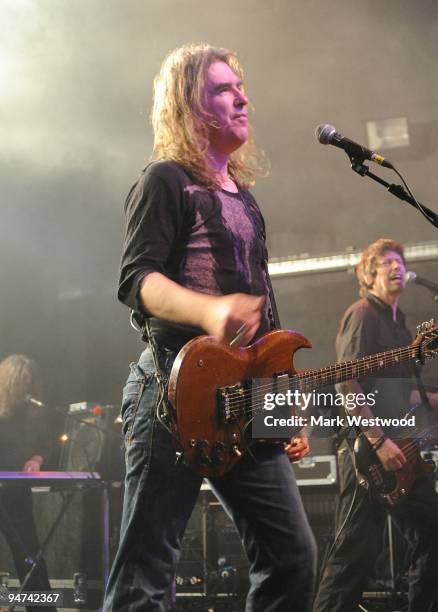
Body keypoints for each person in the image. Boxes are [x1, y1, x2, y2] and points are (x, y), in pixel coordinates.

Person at [103, 43, 316, 611]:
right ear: (189, 104)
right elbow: (136, 280)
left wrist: (281, 402)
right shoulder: (165, 181)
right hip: (172, 394)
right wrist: (208, 311)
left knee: (292, 558)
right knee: (145, 579)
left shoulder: (244, 199)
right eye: (224, 89)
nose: (242, 96)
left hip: (245, 401)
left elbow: (264, 310)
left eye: (240, 86)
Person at [313, 238, 438, 612]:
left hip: (403, 451)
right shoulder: (363, 314)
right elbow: (347, 380)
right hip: (369, 454)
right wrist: (379, 441)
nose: (397, 267)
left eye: (400, 261)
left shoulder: (401, 327)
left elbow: (410, 394)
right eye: (387, 262)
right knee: (353, 557)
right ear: (370, 273)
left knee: (437, 545)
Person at [0, 354, 56, 612]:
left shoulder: (34, 411)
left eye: (29, 383)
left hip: (15, 491)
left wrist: (36, 458)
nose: (26, 388)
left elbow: (47, 440)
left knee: (29, 554)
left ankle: (41, 608)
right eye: (21, 382)